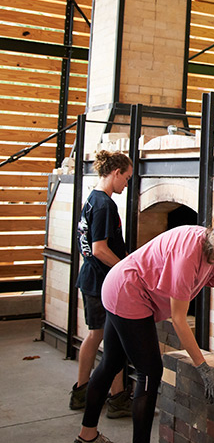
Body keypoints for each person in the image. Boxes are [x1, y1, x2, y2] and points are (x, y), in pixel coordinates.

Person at [70, 209, 214, 443]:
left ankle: (87, 437)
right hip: (127, 291)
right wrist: (202, 367)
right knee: (150, 372)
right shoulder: (189, 254)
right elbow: (179, 319)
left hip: (121, 286)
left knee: (112, 362)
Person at [69, 149, 133, 417]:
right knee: (110, 337)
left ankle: (83, 392)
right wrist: (127, 269)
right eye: (127, 178)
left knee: (97, 335)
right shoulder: (106, 205)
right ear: (116, 173)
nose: (127, 184)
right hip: (101, 281)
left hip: (91, 278)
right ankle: (116, 398)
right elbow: (99, 249)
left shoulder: (93, 199)